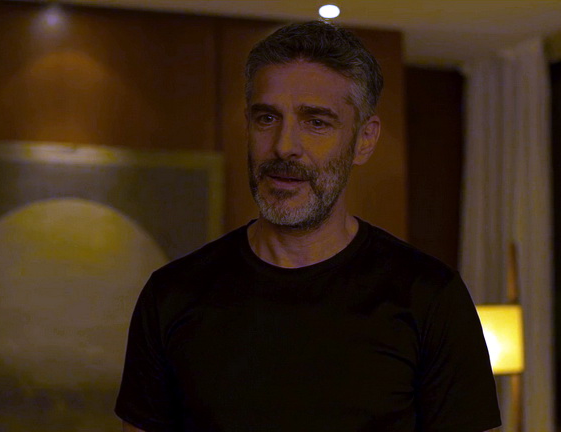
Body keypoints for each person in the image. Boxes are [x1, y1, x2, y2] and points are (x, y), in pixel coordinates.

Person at [115, 20, 502, 432]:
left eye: (316, 122)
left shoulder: (429, 298)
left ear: (364, 139)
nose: (284, 146)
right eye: (267, 118)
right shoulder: (172, 295)